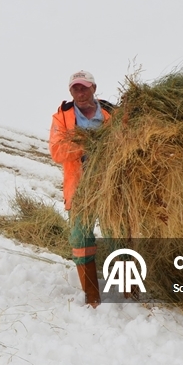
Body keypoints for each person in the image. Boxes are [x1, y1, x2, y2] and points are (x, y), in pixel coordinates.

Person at [49, 70, 114, 307]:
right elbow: (57, 152)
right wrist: (86, 143)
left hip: (110, 187)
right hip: (79, 189)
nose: (81, 92)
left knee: (120, 236)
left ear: (94, 88)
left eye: (85, 87)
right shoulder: (62, 118)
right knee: (80, 238)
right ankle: (92, 296)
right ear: (70, 91)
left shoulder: (111, 113)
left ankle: (130, 290)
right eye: (76, 88)